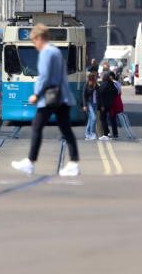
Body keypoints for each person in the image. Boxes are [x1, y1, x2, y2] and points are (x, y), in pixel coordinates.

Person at [10, 24, 81, 176]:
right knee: (65, 129)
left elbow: (44, 76)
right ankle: (73, 163)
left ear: (39, 38)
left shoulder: (46, 53)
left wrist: (36, 94)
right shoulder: (55, 51)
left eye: (34, 41)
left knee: (36, 126)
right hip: (63, 96)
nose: (34, 45)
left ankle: (30, 162)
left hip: (51, 96)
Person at [96, 71, 120, 140]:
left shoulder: (103, 85)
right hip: (111, 104)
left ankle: (106, 133)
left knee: (102, 118)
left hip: (104, 105)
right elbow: (116, 92)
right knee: (112, 118)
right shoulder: (112, 84)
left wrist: (102, 105)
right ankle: (115, 133)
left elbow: (100, 95)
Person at [84, 72, 100, 140]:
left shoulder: (96, 85)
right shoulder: (87, 85)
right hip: (89, 103)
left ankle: (87, 133)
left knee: (90, 119)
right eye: (95, 78)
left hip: (95, 103)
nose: (96, 79)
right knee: (94, 118)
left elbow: (99, 93)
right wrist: (84, 105)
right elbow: (84, 95)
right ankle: (92, 133)